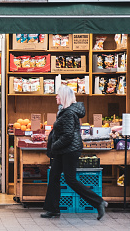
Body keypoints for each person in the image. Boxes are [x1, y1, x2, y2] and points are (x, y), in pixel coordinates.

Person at [42, 86, 108, 219]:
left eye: (58, 95)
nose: (56, 97)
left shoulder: (69, 113)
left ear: (64, 97)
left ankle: (99, 202)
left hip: (70, 150)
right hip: (64, 149)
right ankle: (53, 209)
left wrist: (54, 145)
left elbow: (68, 136)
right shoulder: (65, 111)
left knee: (70, 179)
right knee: (54, 176)